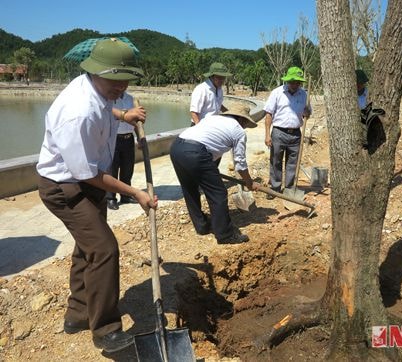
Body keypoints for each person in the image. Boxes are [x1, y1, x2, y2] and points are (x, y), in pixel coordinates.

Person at [36, 38, 157, 353]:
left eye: (127, 79)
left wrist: (123, 116)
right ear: (97, 72)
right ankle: (105, 331)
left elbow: (104, 108)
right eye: (118, 80)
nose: (124, 86)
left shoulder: (99, 89)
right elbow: (86, 173)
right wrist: (135, 192)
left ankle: (78, 315)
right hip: (65, 188)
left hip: (86, 181)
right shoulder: (77, 111)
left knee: (87, 248)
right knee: (104, 250)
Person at [170, 104, 259, 244]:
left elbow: (211, 148)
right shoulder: (238, 131)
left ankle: (202, 226)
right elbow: (240, 163)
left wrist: (209, 169)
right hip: (196, 153)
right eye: (246, 123)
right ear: (242, 120)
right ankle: (225, 235)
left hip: (177, 147)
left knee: (190, 189)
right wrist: (249, 181)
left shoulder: (212, 119)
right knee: (218, 193)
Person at [264, 66, 311, 197]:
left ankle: (290, 188)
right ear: (287, 81)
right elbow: (268, 115)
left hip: (296, 134)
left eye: (297, 82)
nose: (295, 84)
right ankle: (275, 188)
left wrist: (307, 113)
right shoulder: (277, 93)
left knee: (292, 163)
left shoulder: (304, 94)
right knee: (275, 161)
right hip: (279, 132)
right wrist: (267, 135)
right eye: (292, 81)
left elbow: (307, 113)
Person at [106, 92, 145, 210]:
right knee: (112, 170)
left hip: (128, 138)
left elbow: (136, 122)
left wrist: (140, 137)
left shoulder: (131, 99)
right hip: (114, 138)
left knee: (127, 169)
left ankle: (126, 195)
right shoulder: (110, 98)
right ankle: (110, 198)